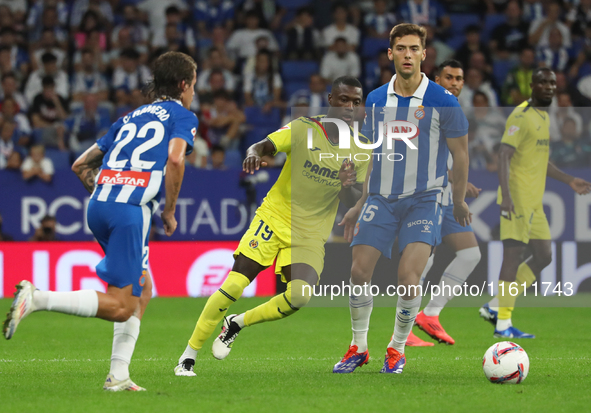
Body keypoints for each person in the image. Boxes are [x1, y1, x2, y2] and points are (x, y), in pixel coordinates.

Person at [3, 51, 199, 392]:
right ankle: (38, 298)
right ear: (183, 85)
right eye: (193, 85)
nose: (193, 92)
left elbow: (80, 164)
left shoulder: (129, 117)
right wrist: (168, 210)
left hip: (100, 205)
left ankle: (118, 376)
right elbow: (176, 158)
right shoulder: (182, 115)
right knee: (124, 307)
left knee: (143, 287)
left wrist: (109, 192)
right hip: (129, 212)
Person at [174, 76, 370, 377]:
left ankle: (237, 323)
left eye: (356, 102)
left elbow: (352, 197)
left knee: (299, 296)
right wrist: (253, 154)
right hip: (275, 217)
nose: (349, 107)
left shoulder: (362, 149)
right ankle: (188, 356)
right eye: (344, 99)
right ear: (330, 100)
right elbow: (264, 144)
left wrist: (348, 185)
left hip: (310, 232)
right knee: (235, 284)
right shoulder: (305, 128)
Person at [332, 23, 470, 374]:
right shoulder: (376, 100)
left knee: (409, 277)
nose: (407, 55)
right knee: (359, 271)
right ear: (390, 53)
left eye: (414, 49)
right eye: (400, 49)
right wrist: (359, 204)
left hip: (424, 200)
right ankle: (358, 347)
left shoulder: (443, 101)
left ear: (424, 54)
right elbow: (374, 155)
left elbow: (462, 154)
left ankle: (396, 349)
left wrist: (456, 200)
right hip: (381, 199)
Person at [479, 68, 591, 339]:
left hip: (534, 202)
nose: (548, 86)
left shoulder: (543, 116)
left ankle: (495, 306)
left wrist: (569, 180)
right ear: (532, 86)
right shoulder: (521, 116)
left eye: (552, 82)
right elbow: (504, 155)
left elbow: (541, 161)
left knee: (544, 256)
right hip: (517, 199)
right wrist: (506, 196)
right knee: (512, 256)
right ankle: (503, 325)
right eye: (542, 82)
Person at [406, 60, 482, 347]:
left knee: (470, 254)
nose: (454, 83)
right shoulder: (425, 109)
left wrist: (460, 185)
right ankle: (402, 330)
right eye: (448, 77)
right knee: (424, 259)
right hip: (428, 195)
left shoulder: (452, 109)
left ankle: (431, 313)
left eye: (459, 78)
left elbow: (451, 155)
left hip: (448, 195)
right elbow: (422, 154)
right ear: (436, 80)